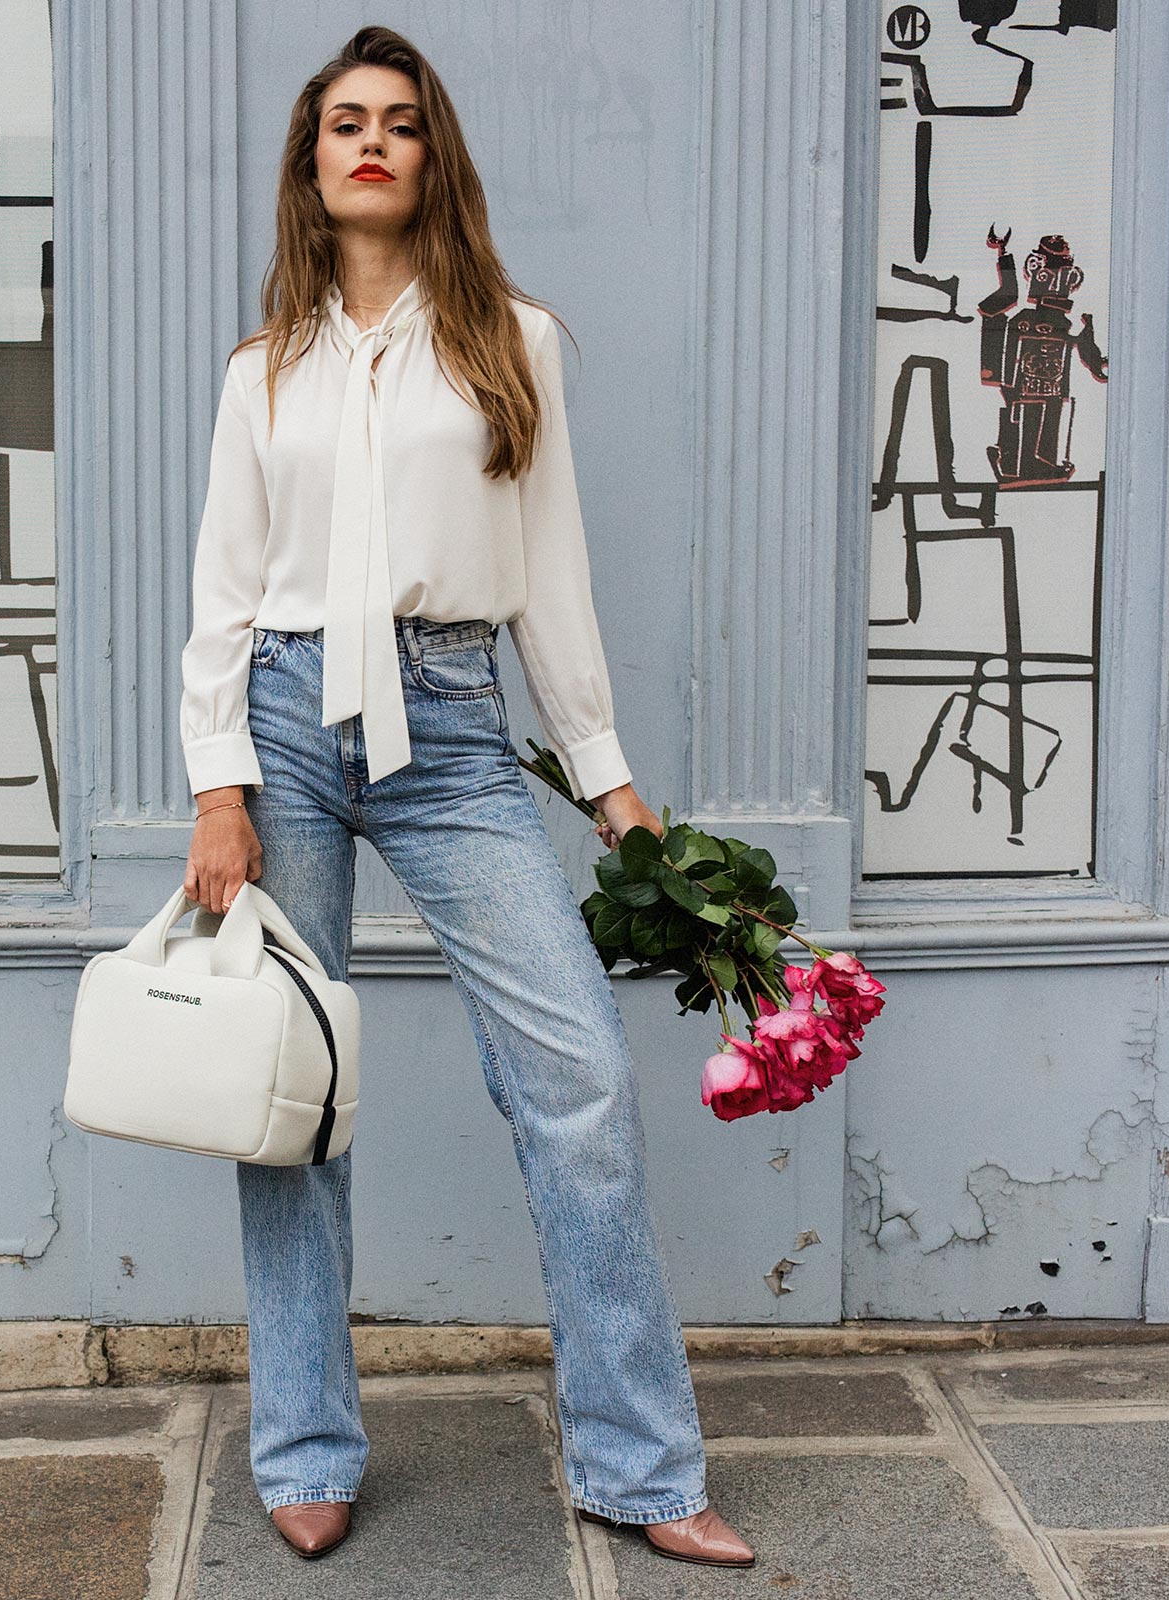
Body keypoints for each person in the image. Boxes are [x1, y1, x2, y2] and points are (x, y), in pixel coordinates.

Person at [174, 24, 753, 1571]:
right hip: (287, 720)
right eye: (345, 122)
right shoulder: (265, 370)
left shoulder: (513, 339)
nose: (372, 141)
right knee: (288, 1101)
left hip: (450, 716)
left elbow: (550, 580)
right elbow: (222, 595)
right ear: (311, 161)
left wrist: (616, 790)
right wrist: (217, 782)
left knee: (575, 1079)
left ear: (435, 160)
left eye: (401, 124)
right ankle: (303, 1443)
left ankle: (640, 1464)